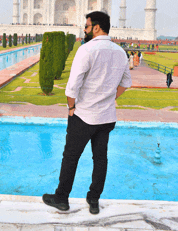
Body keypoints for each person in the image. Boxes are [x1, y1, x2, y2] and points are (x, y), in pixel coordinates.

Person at [42, 11, 132, 214]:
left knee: (71, 157)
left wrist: (72, 108)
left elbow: (72, 87)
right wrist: (110, 97)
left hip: (83, 115)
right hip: (107, 116)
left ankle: (62, 198)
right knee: (100, 159)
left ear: (97, 27)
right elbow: (126, 82)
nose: (84, 29)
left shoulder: (87, 50)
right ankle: (93, 200)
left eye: (87, 26)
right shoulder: (119, 51)